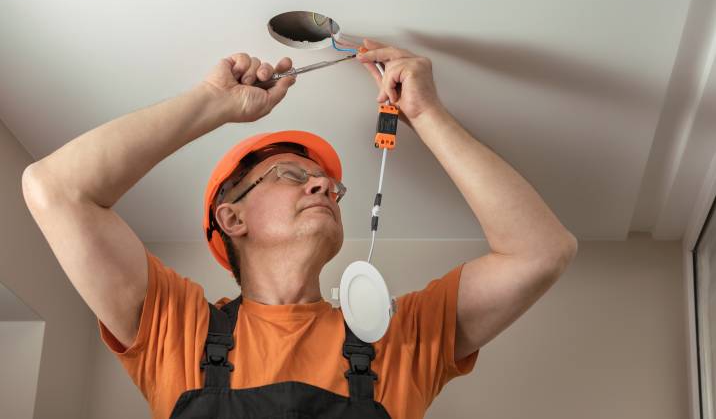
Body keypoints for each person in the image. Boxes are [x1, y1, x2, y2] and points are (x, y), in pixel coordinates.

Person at [22, 38, 578, 418]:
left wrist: (428, 114)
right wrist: (212, 104)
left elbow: (542, 251)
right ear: (231, 217)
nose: (322, 188)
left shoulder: (399, 336)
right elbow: (54, 189)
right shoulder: (178, 330)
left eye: (329, 186)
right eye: (292, 176)